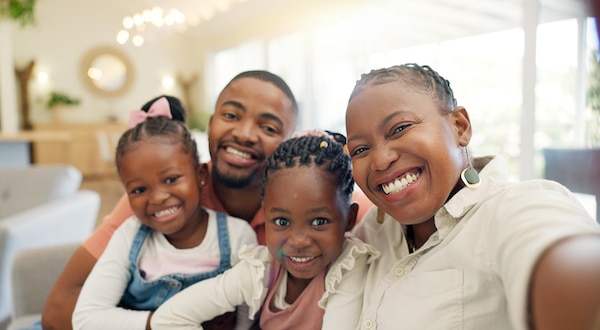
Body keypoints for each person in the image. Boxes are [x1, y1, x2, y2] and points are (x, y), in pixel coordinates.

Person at [42, 71, 373, 330]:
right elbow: (58, 312)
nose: (244, 133)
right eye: (231, 115)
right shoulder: (157, 200)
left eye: (269, 126)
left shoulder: (328, 205)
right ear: (210, 123)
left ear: (288, 143)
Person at [345, 63, 600, 329]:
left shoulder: (517, 207)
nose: (380, 160)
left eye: (400, 128)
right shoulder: (375, 228)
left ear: (460, 127)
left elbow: (575, 266)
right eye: (360, 150)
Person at [150, 134, 379, 330]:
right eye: (281, 221)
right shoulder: (261, 270)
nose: (299, 241)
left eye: (319, 221)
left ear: (349, 219)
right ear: (265, 216)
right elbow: (168, 318)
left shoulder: (348, 267)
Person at [72, 108, 257, 329]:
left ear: (200, 176)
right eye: (139, 189)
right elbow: (86, 319)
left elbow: (249, 311)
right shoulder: (129, 236)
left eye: (171, 179)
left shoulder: (238, 235)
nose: (158, 197)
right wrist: (164, 323)